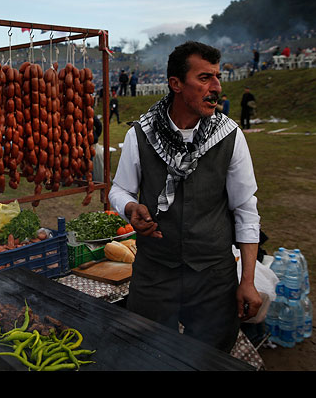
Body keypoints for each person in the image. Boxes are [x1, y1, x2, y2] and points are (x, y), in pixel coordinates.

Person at [108, 41, 262, 353]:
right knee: (148, 355)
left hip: (213, 277)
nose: (216, 87)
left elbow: (246, 209)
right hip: (154, 273)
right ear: (176, 84)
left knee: (210, 359)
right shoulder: (141, 134)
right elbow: (118, 189)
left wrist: (247, 280)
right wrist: (129, 206)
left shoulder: (229, 136)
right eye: (204, 78)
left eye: (217, 77)